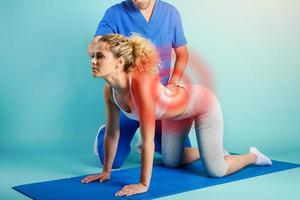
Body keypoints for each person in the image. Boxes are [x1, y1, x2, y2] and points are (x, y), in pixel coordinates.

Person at [81, 34, 272, 197]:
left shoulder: (140, 85)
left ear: (119, 62)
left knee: (216, 170)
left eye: (99, 56)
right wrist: (106, 172)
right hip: (175, 115)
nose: (93, 61)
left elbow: (148, 140)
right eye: (92, 56)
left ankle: (252, 156)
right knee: (172, 161)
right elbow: (113, 133)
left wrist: (143, 184)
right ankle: (214, 151)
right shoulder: (109, 91)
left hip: (203, 104)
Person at [93, 0, 197, 169]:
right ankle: (104, 133)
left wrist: (173, 82)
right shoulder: (115, 13)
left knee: (178, 157)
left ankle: (147, 137)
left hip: (159, 100)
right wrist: (98, 46)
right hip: (129, 103)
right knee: (112, 161)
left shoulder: (170, 13)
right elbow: (97, 46)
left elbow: (182, 54)